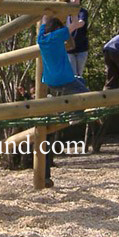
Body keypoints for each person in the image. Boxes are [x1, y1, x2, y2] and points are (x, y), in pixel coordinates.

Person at [38, 14, 89, 187]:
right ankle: (74, 113)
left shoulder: (42, 40)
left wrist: (44, 20)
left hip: (50, 81)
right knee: (85, 94)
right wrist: (78, 22)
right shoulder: (58, 35)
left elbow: (42, 30)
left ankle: (61, 106)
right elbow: (71, 30)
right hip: (63, 79)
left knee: (78, 82)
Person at [66, 0, 89, 77]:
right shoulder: (66, 13)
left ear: (80, 0)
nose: (74, 0)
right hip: (69, 49)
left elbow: (81, 23)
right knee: (73, 75)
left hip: (82, 48)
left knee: (79, 74)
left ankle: (80, 91)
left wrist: (67, 30)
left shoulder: (83, 12)